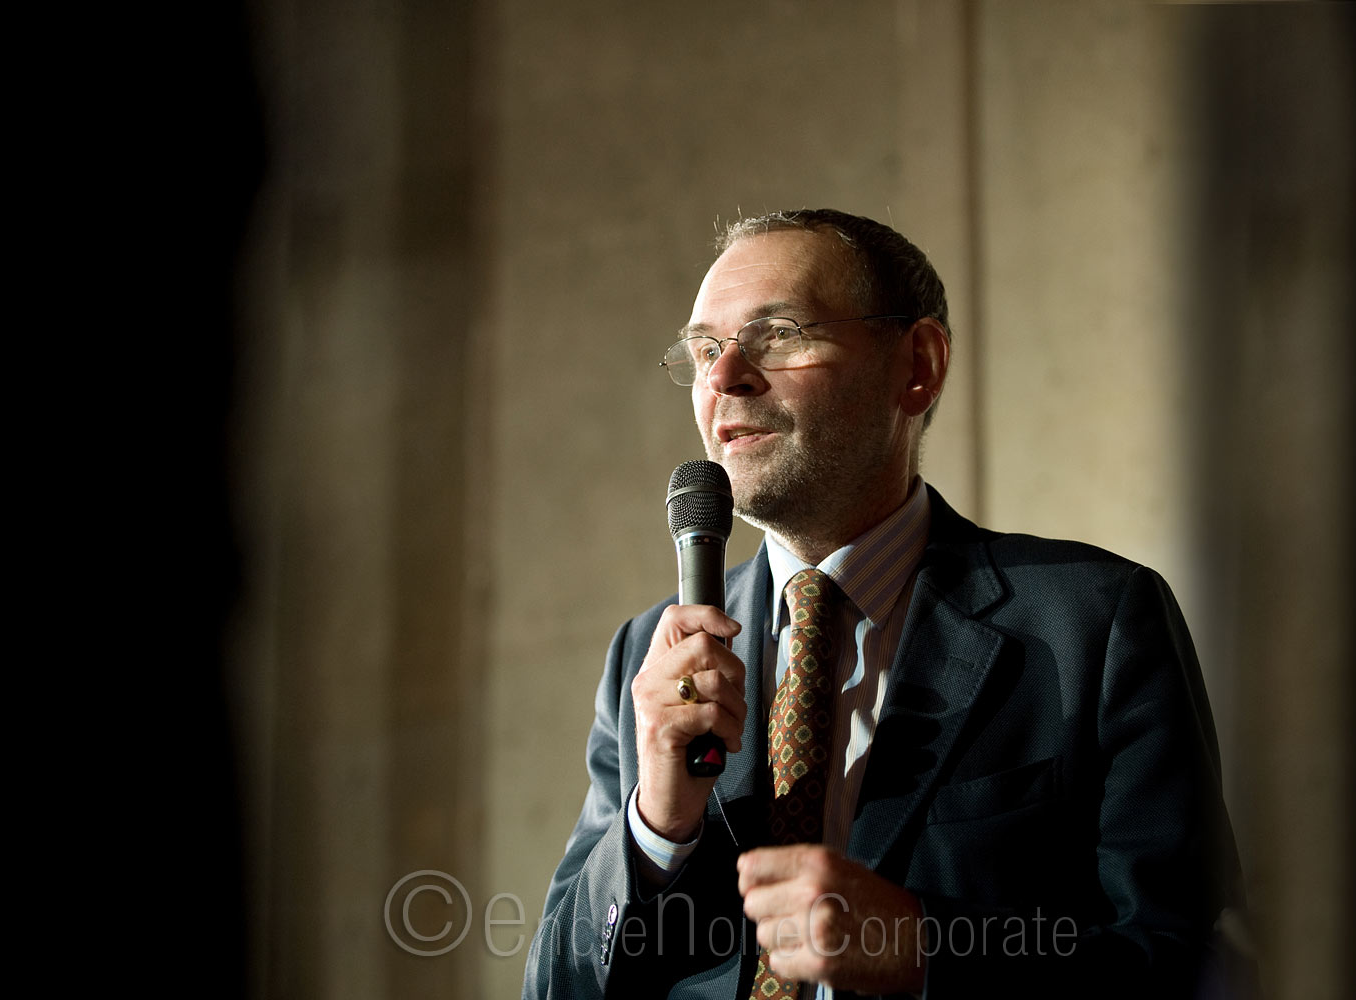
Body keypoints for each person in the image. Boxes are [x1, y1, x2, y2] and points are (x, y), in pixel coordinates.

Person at [523, 209, 1243, 999]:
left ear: (918, 365)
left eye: (777, 334)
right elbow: (555, 984)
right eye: (703, 350)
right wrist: (653, 826)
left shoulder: (1091, 623)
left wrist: (926, 951)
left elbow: (1187, 963)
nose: (724, 377)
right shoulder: (647, 656)